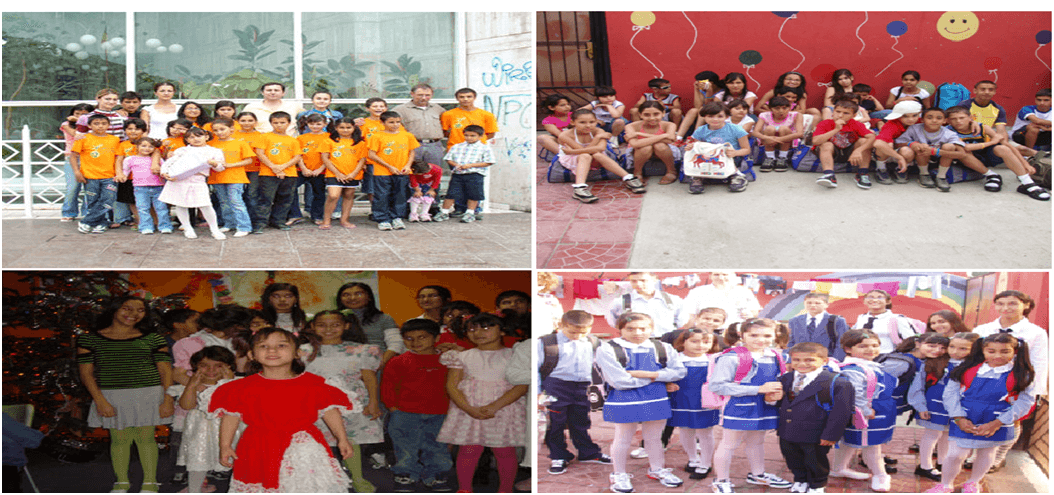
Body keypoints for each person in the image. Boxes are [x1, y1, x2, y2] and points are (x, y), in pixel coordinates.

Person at [212, 327, 356, 492]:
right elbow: (231, 416)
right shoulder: (240, 388)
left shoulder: (313, 384)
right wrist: (225, 445)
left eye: (281, 346)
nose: (272, 350)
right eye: (263, 346)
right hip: (258, 446)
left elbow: (329, 411)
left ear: (297, 353)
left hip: (303, 446)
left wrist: (342, 439)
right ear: (252, 355)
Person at [76, 295, 175, 494]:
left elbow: (165, 371)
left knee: (146, 438)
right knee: (119, 439)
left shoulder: (153, 338)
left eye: (140, 310)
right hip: (111, 395)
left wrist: (168, 399)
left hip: (147, 393)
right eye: (127, 308)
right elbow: (86, 374)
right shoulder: (89, 338)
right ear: (114, 309)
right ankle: (121, 482)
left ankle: (150, 482)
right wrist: (100, 400)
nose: (133, 314)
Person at [925, 333, 1036, 493]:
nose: (997, 356)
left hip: (997, 420)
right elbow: (950, 394)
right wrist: (958, 417)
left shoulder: (1023, 375)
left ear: (1015, 351)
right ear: (982, 350)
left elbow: (1025, 401)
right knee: (955, 454)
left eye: (1004, 351)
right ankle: (945, 484)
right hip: (966, 416)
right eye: (991, 351)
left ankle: (973, 482)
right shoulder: (965, 370)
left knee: (987, 452)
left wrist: (998, 422)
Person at [436, 313, 529, 494]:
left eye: (486, 327)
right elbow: (452, 385)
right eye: (472, 329)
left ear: (502, 330)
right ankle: (464, 488)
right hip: (469, 408)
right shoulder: (461, 356)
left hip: (504, 409)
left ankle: (505, 489)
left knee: (504, 452)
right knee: (468, 449)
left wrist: (495, 406)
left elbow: (521, 386)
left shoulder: (514, 355)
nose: (478, 332)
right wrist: (468, 408)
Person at [595, 312, 686, 493]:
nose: (637, 332)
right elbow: (619, 381)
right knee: (623, 438)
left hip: (656, 398)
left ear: (651, 329)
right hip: (624, 398)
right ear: (620, 329)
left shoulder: (662, 347)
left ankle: (657, 469)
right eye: (630, 329)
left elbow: (679, 372)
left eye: (643, 328)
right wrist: (658, 379)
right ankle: (618, 473)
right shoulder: (608, 348)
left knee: (654, 437)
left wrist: (647, 375)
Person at [709, 318, 792, 493]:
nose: (760, 339)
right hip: (739, 406)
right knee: (729, 444)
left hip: (766, 406)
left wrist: (779, 392)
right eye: (753, 335)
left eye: (767, 335)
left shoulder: (777, 356)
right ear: (742, 335)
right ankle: (721, 480)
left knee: (757, 442)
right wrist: (759, 389)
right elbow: (717, 386)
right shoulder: (731, 357)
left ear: (775, 335)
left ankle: (758, 474)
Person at [302, 311, 382, 494]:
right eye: (322, 325)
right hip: (316, 404)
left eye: (335, 325)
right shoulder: (302, 351)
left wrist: (374, 402)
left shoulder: (361, 350)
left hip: (352, 403)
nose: (329, 329)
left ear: (346, 326)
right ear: (312, 327)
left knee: (351, 440)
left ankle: (357, 478)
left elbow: (370, 378)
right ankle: (323, 479)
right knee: (317, 441)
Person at [970, 290, 1049, 472]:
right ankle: (976, 453)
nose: (1006, 308)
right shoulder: (982, 330)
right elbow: (973, 359)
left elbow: (1039, 361)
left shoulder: (1036, 333)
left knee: (1012, 419)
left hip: (1016, 381)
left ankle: (999, 457)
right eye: (1000, 303)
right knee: (980, 414)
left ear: (1026, 305)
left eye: (1012, 303)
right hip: (985, 380)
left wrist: (1032, 389)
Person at [381, 319, 454, 492]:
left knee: (437, 446)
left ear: (436, 338)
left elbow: (456, 384)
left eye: (422, 337)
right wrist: (393, 407)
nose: (416, 342)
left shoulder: (447, 359)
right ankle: (406, 475)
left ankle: (435, 475)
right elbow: (388, 386)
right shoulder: (399, 361)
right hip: (405, 413)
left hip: (440, 412)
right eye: (409, 338)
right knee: (405, 446)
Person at [828, 330, 904, 492]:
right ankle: (880, 475)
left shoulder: (867, 365)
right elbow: (854, 392)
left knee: (849, 441)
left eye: (875, 345)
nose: (871, 349)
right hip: (866, 412)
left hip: (874, 410)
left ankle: (838, 468)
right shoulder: (854, 369)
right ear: (848, 349)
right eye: (863, 346)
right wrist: (864, 410)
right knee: (871, 445)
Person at [537, 311, 611, 475]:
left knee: (581, 420)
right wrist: (537, 393)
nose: (577, 336)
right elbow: (534, 368)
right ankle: (558, 455)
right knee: (556, 422)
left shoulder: (593, 342)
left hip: (582, 386)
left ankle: (588, 453)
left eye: (583, 332)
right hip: (555, 385)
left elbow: (604, 364)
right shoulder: (546, 343)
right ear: (561, 325)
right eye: (572, 332)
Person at [775, 342, 855, 494]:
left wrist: (831, 435)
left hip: (816, 432)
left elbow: (841, 412)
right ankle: (800, 480)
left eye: (809, 360)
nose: (802, 364)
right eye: (796, 360)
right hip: (787, 429)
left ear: (824, 361)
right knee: (792, 457)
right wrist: (771, 398)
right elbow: (780, 401)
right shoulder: (786, 378)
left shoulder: (837, 382)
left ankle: (817, 484)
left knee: (815, 460)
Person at [168, 346, 238, 493]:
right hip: (200, 432)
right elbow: (186, 405)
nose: (211, 370)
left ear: (228, 366)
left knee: (236, 460)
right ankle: (195, 489)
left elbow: (235, 404)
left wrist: (228, 383)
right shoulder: (192, 385)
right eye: (204, 365)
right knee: (197, 461)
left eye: (218, 365)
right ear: (195, 367)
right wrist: (192, 385)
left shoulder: (236, 384)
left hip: (230, 430)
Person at [945, 106, 1049, 200]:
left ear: (970, 117)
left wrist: (1025, 164)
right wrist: (993, 142)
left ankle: (1027, 183)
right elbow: (966, 147)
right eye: (954, 119)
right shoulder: (948, 131)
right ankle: (992, 175)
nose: (958, 121)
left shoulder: (983, 127)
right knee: (963, 152)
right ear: (948, 121)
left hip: (987, 156)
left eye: (962, 118)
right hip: (969, 160)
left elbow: (1008, 145)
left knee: (1003, 148)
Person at [556, 109, 645, 204]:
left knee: (597, 154)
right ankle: (579, 187)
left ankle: (628, 178)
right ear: (573, 122)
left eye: (592, 122)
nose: (588, 125)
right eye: (582, 122)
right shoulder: (565, 135)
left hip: (591, 156)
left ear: (596, 121)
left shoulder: (598, 130)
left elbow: (601, 148)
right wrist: (597, 139)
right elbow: (584, 152)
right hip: (573, 158)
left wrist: (572, 151)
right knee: (586, 155)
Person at [667, 328, 722, 480]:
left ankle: (705, 464)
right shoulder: (675, 359)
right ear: (682, 342)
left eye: (706, 342)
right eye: (694, 341)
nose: (700, 345)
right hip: (680, 398)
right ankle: (693, 459)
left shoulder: (713, 360)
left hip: (704, 401)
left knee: (705, 432)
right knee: (684, 430)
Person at [158, 127, 227, 240]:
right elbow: (169, 163)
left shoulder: (214, 151)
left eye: (199, 136)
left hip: (198, 180)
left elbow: (220, 167)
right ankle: (187, 228)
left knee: (205, 205)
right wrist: (164, 172)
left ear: (206, 137)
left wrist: (214, 164)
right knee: (180, 203)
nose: (195, 139)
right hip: (179, 179)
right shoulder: (182, 150)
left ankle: (214, 229)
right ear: (187, 139)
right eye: (191, 137)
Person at [906, 333, 956, 482]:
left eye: (943, 348)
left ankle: (942, 462)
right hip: (932, 406)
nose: (939, 351)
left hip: (950, 408)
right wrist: (920, 406)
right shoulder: (926, 365)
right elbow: (917, 387)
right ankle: (925, 465)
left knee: (946, 435)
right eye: (934, 346)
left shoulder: (954, 363)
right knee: (932, 435)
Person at [895, 107, 970, 191]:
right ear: (922, 120)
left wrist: (936, 151)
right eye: (929, 118)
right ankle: (923, 174)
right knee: (922, 146)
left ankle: (941, 176)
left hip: (939, 160)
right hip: (919, 158)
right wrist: (911, 144)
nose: (934, 121)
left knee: (949, 146)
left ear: (945, 121)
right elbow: (898, 143)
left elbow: (962, 154)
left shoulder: (949, 134)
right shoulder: (914, 128)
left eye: (939, 118)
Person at [367, 111, 419, 231]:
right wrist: (389, 166)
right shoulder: (377, 136)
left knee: (400, 194)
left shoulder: (407, 135)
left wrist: (408, 165)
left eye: (398, 122)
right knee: (382, 195)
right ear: (382, 122)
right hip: (382, 172)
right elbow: (372, 154)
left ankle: (397, 217)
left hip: (402, 171)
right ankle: (382, 218)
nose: (395, 125)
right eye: (391, 122)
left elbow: (411, 151)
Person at [253, 112, 304, 234]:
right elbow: (260, 153)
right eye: (275, 122)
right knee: (265, 198)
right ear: (271, 123)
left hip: (289, 173)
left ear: (289, 123)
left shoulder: (293, 140)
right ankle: (260, 223)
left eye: (282, 122)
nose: (279, 125)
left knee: (285, 198)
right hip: (268, 173)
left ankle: (278, 221)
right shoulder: (264, 137)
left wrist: (282, 167)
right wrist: (274, 167)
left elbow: (297, 157)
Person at [70, 114, 121, 234]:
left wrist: (118, 172)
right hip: (90, 176)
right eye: (96, 123)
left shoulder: (114, 139)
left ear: (109, 125)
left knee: (108, 199)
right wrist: (77, 172)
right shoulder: (83, 138)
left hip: (109, 176)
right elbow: (73, 156)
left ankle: (87, 222)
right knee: (92, 201)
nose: (100, 126)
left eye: (104, 123)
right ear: (89, 125)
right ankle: (101, 223)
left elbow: (118, 157)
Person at [685, 102, 751, 194]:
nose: (715, 119)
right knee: (697, 160)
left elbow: (746, 149)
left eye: (720, 116)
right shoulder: (700, 130)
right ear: (704, 117)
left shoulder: (737, 129)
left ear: (727, 117)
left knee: (730, 162)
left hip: (730, 157)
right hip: (708, 157)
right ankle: (697, 177)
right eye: (711, 116)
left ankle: (736, 176)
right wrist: (690, 147)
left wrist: (735, 153)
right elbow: (695, 147)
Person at [434, 124, 495, 223]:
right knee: (451, 193)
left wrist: (471, 165)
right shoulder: (457, 146)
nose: (469, 138)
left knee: (473, 194)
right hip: (458, 174)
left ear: (480, 136)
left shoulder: (484, 148)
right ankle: (444, 212)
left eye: (472, 136)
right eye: (467, 135)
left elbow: (489, 161)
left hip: (475, 174)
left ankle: (470, 213)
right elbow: (448, 159)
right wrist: (456, 164)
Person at [811, 97, 876, 189]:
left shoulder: (856, 124)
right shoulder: (825, 123)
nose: (840, 115)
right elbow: (815, 141)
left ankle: (862, 173)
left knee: (864, 141)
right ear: (833, 112)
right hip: (831, 152)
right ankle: (829, 175)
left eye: (846, 113)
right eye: (838, 111)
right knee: (826, 144)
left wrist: (858, 151)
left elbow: (872, 137)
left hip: (849, 153)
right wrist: (836, 129)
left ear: (854, 115)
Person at [206, 118, 255, 236]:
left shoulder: (240, 143)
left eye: (222, 129)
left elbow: (248, 160)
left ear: (232, 129)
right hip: (217, 177)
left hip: (236, 177)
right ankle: (229, 224)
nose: (219, 132)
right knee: (224, 202)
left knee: (236, 201)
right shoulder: (211, 144)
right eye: (216, 130)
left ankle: (244, 227)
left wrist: (230, 165)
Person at [320, 117, 367, 229]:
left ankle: (344, 220)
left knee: (349, 195)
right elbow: (325, 158)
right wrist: (337, 173)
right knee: (333, 195)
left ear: (353, 128)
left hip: (352, 174)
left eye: (348, 127)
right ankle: (326, 221)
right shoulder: (329, 141)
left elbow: (362, 160)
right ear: (336, 128)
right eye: (342, 127)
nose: (345, 130)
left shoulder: (360, 143)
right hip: (334, 174)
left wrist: (354, 173)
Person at [606, 272, 684, 338]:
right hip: (634, 342)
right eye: (634, 281)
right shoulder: (620, 301)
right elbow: (613, 321)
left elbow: (681, 320)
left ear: (655, 279)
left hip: (665, 340)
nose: (638, 284)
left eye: (643, 280)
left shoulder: (673, 300)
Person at [335, 282, 400, 358]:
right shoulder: (333, 319)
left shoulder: (384, 318)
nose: (352, 298)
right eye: (346, 295)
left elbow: (396, 344)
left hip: (378, 362)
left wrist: (380, 364)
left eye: (358, 294)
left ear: (369, 297)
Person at [122, 137, 172, 235]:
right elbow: (125, 171)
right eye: (143, 146)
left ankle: (165, 226)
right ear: (137, 147)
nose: (147, 148)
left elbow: (165, 169)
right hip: (140, 188)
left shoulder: (158, 159)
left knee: (161, 208)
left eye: (150, 146)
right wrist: (122, 177)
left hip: (158, 186)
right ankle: (146, 227)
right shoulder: (130, 159)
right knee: (142, 208)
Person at [625, 101, 679, 185]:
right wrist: (663, 136)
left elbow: (670, 140)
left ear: (663, 113)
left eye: (656, 114)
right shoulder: (631, 126)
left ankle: (671, 171)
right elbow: (635, 144)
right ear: (640, 115)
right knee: (645, 147)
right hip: (639, 152)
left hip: (664, 151)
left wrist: (640, 134)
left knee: (660, 145)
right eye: (647, 115)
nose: (652, 118)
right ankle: (637, 173)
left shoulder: (669, 125)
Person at [394, 84, 447, 168]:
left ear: (432, 94)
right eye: (420, 95)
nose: (423, 98)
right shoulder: (400, 110)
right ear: (412, 94)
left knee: (434, 171)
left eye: (427, 95)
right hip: (412, 145)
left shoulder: (437, 108)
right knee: (412, 172)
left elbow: (446, 124)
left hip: (434, 145)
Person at [682, 271, 761, 328]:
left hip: (736, 332)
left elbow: (755, 312)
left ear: (733, 275)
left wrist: (750, 315)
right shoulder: (697, 292)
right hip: (708, 332)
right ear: (710, 276)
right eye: (716, 274)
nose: (721, 278)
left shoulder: (744, 291)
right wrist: (689, 331)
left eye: (725, 274)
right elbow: (690, 315)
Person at [291, 113, 331, 225]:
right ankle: (295, 215)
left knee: (319, 194)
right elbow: (298, 155)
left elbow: (331, 156)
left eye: (318, 124)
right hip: (302, 170)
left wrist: (320, 169)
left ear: (325, 124)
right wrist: (303, 168)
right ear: (307, 124)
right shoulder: (301, 138)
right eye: (312, 124)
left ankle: (317, 216)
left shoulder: (329, 137)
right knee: (290, 189)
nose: (315, 126)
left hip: (320, 171)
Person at [787, 292, 850, 361]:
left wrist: (835, 362)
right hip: (801, 362)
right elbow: (791, 343)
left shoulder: (837, 321)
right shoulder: (795, 321)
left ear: (826, 305)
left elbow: (841, 344)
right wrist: (790, 361)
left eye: (817, 303)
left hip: (826, 362)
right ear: (804, 304)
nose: (813, 305)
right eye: (809, 303)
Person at [852, 289, 918, 354]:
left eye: (880, 297)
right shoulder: (861, 318)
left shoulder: (897, 319)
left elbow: (910, 340)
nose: (874, 300)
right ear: (864, 301)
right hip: (863, 356)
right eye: (870, 297)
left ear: (888, 301)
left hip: (888, 357)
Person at [872, 100, 923, 183]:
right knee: (887, 144)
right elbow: (878, 143)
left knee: (907, 151)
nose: (911, 119)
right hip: (889, 152)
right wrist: (900, 157)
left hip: (906, 149)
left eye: (914, 115)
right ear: (898, 116)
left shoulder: (921, 121)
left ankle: (901, 169)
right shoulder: (891, 125)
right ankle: (881, 168)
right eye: (905, 116)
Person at [60, 103, 95, 222]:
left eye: (84, 114)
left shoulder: (94, 125)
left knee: (90, 187)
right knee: (72, 187)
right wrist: (81, 121)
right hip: (72, 157)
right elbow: (77, 135)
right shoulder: (66, 124)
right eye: (77, 114)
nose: (80, 116)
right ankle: (68, 211)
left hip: (90, 157)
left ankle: (87, 212)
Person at [753, 96, 804, 172]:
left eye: (784, 108)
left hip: (788, 142)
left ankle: (782, 158)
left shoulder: (796, 115)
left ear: (789, 108)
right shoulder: (764, 115)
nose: (781, 111)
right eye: (777, 108)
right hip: (769, 141)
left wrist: (778, 139)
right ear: (771, 109)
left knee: (784, 128)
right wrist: (768, 138)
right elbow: (755, 132)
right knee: (769, 128)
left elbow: (800, 133)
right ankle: (770, 158)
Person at [233, 112, 266, 227]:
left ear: (255, 122)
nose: (247, 123)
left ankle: (253, 221)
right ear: (238, 122)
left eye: (250, 120)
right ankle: (236, 220)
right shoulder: (232, 135)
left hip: (255, 169)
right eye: (243, 120)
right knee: (236, 195)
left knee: (252, 195)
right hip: (236, 169)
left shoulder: (261, 135)